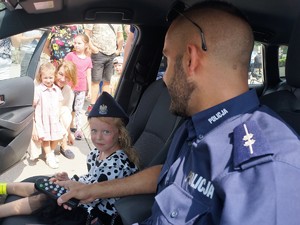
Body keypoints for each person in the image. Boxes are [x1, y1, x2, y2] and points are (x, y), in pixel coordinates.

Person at [57, 2, 300, 225]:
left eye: (167, 61)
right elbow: (167, 174)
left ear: (190, 60)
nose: (166, 78)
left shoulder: (267, 170)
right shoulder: (195, 127)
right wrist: (92, 190)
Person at [0, 91, 139, 225]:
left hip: (93, 213)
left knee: (45, 198)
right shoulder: (98, 153)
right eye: (94, 131)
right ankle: (3, 188)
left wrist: (68, 185)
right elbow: (91, 180)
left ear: (120, 133)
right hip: (85, 194)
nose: (98, 137)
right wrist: (68, 181)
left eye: (106, 132)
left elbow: (93, 193)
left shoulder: (116, 165)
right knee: (46, 184)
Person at [28, 60, 78, 161]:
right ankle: (44, 149)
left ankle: (61, 146)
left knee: (65, 111)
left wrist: (68, 135)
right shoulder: (39, 84)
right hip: (39, 118)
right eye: (60, 74)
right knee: (35, 153)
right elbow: (30, 108)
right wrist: (34, 128)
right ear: (55, 71)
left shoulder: (68, 91)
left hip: (54, 121)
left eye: (67, 77)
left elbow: (66, 116)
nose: (63, 79)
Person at [84, 23, 124, 114]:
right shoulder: (96, 17)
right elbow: (86, 34)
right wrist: (94, 49)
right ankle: (93, 106)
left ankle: (104, 105)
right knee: (95, 81)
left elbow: (120, 36)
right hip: (98, 54)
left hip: (112, 54)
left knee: (107, 81)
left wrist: (118, 50)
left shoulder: (116, 19)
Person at [33, 62, 64, 169]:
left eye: (50, 77)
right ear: (40, 77)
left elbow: (60, 102)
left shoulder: (57, 89)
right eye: (45, 77)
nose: (48, 80)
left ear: (54, 77)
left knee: (56, 136)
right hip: (43, 119)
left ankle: (50, 153)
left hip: (54, 118)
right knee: (46, 138)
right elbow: (34, 104)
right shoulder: (38, 90)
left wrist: (59, 115)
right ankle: (49, 156)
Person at [64, 33, 92, 141]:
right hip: (70, 87)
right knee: (68, 107)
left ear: (85, 45)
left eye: (79, 43)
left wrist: (89, 90)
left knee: (78, 109)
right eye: (75, 43)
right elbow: (65, 67)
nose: (76, 45)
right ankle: (66, 127)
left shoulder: (88, 59)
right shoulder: (71, 55)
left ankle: (78, 129)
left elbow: (88, 75)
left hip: (81, 88)